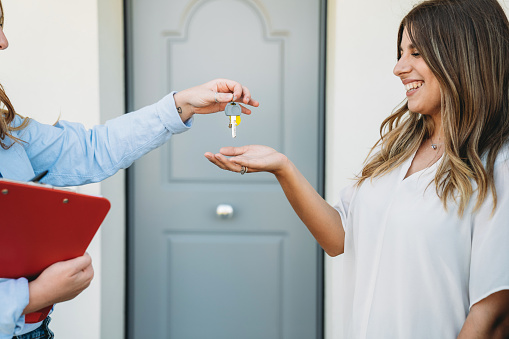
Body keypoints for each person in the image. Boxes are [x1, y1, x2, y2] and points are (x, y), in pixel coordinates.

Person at [206, 0, 509, 337]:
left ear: (464, 57)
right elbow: (341, 238)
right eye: (400, 52)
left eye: (416, 53)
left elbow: (491, 317)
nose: (398, 67)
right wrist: (283, 168)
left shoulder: (499, 165)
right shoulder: (398, 149)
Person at [0, 2, 259, 338]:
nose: (4, 41)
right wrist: (33, 296)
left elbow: (93, 149)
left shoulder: (7, 130)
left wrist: (182, 103)